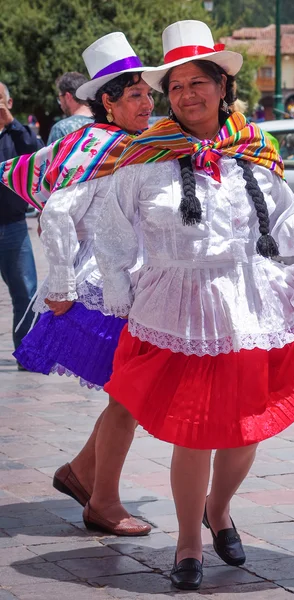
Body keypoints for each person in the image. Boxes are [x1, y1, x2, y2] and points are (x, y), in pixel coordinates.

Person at [93, 20, 294, 589]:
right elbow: (110, 233)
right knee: (193, 431)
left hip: (244, 304)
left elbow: (285, 212)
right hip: (175, 309)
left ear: (222, 87)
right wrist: (120, 288)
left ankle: (219, 507)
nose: (186, 95)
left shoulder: (254, 149)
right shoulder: (141, 157)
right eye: (175, 86)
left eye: (197, 82)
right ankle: (187, 543)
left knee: (244, 430)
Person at [1, 33, 154, 536]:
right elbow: (61, 215)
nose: (147, 103)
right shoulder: (96, 145)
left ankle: (82, 475)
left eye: (148, 94)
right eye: (135, 95)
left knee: (129, 395)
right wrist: (61, 286)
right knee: (129, 396)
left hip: (127, 286)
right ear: (106, 102)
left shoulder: (133, 143)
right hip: (98, 290)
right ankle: (102, 500)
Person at [0, 82, 43, 366]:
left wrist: (11, 124)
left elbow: (39, 154)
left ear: (9, 102)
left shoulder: (18, 135)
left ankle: (26, 355)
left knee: (26, 293)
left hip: (13, 225)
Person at [47, 72, 94, 143]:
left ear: (68, 96)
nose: (60, 104)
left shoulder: (60, 129)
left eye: (60, 98)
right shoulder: (105, 122)